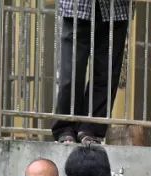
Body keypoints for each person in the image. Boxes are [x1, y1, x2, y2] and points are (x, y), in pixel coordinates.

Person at [52, 0, 131, 144]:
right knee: (71, 73)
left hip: (116, 8)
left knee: (106, 74)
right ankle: (65, 127)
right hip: (77, 6)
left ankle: (91, 129)